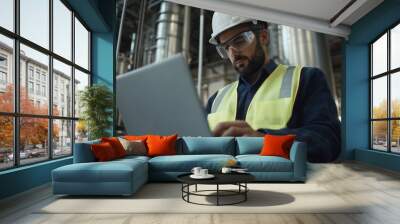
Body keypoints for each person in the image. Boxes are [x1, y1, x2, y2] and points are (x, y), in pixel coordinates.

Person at [206, 12, 341, 163]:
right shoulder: (215, 100)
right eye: (225, 47)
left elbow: (328, 141)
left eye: (239, 40)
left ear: (263, 37)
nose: (232, 53)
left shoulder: (306, 79)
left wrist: (265, 140)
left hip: (285, 185)